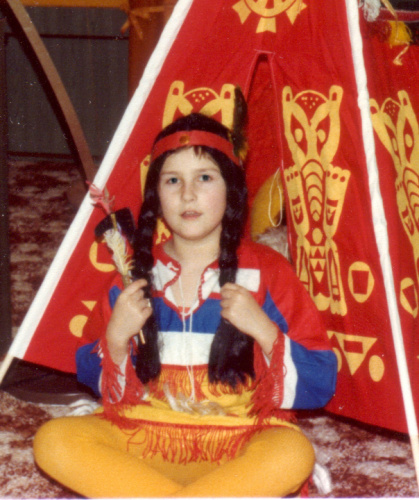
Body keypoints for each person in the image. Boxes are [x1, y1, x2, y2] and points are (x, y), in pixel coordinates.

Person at [33, 103, 337, 498]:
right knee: (54, 441)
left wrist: (263, 330)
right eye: (172, 180)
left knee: (291, 454)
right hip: (146, 435)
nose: (188, 194)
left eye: (204, 178)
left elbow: (320, 382)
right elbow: (98, 382)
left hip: (240, 437)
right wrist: (117, 339)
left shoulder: (270, 271)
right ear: (156, 196)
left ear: (231, 190)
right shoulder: (132, 277)